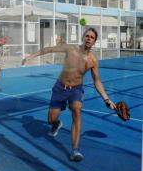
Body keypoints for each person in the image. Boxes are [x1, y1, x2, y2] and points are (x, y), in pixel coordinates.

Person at [22, 27, 116, 161]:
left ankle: (75, 150)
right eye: (87, 36)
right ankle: (56, 124)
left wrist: (107, 99)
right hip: (60, 87)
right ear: (83, 37)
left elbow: (97, 81)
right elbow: (50, 49)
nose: (89, 38)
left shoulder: (93, 61)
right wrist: (31, 56)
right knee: (51, 119)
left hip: (76, 90)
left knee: (77, 110)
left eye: (92, 37)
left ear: (95, 42)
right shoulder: (70, 49)